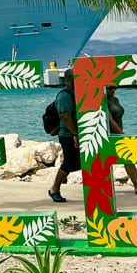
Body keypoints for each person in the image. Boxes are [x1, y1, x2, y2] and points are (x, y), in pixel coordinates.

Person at [106, 84, 137, 194]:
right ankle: (136, 185)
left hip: (118, 133)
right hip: (111, 135)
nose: (113, 90)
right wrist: (121, 133)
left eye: (115, 88)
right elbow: (110, 120)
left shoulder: (115, 99)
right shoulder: (103, 101)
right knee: (123, 159)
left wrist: (121, 131)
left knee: (128, 159)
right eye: (110, 88)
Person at [48, 69, 79, 202]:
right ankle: (54, 189)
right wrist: (75, 134)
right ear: (71, 78)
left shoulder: (74, 93)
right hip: (68, 135)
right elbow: (65, 116)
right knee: (69, 163)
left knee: (77, 163)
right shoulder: (65, 95)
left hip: (74, 134)